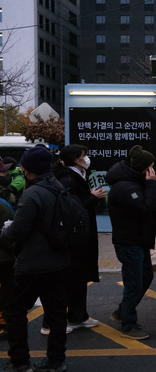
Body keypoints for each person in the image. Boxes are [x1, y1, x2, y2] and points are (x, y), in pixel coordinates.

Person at [1, 146, 70, 372]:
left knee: (14, 311)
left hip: (32, 264)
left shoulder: (32, 194)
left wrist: (4, 231)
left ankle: (21, 363)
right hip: (58, 261)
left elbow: (17, 232)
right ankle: (56, 361)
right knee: (56, 314)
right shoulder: (59, 187)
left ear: (28, 169)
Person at [46, 144, 106, 334]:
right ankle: (51, 323)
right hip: (73, 237)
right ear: (75, 160)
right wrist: (92, 198)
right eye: (83, 155)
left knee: (79, 278)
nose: (86, 158)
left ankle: (78, 316)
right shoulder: (68, 179)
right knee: (67, 280)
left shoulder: (77, 175)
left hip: (81, 236)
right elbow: (71, 209)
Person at [106, 145, 156, 340]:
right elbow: (144, 208)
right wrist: (152, 184)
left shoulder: (133, 182)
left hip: (138, 239)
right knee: (134, 283)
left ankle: (122, 312)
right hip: (129, 242)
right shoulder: (126, 187)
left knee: (145, 278)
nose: (153, 170)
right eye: (151, 167)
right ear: (144, 168)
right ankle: (128, 324)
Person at [0, 162, 15, 342]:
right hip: (5, 251)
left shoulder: (7, 192)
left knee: (8, 286)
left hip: (7, 254)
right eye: (3, 171)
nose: (8, 173)